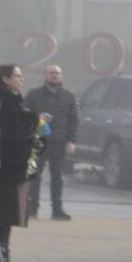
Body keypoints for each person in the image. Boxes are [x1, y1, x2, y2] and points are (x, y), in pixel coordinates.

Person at [0, 62, 33, 262]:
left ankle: (3, 258)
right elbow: (13, 131)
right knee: (2, 214)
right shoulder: (3, 100)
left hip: (14, 165)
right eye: (17, 75)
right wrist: (34, 121)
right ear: (5, 78)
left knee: (8, 214)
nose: (20, 79)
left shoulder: (14, 99)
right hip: (5, 165)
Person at [38, 64, 77, 219]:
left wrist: (71, 140)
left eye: (57, 73)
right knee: (34, 175)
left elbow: (74, 120)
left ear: (61, 76)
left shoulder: (69, 96)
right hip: (39, 140)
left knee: (57, 176)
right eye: (51, 73)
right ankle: (32, 207)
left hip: (59, 142)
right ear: (45, 75)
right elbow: (25, 113)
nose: (54, 75)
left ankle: (57, 209)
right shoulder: (35, 94)